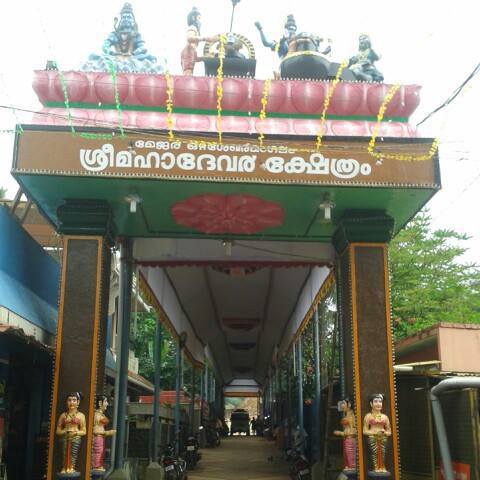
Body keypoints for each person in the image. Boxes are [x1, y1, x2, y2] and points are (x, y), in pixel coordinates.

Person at [55, 392, 86, 474]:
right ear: (66, 402)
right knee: (64, 453)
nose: (71, 402)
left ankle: (71, 467)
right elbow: (58, 431)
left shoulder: (81, 416)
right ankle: (64, 467)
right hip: (65, 437)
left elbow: (84, 431)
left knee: (73, 454)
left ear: (78, 402)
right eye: (69, 400)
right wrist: (64, 431)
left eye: (74, 400)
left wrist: (76, 433)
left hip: (75, 438)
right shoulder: (63, 415)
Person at [181, 7, 216, 75]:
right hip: (188, 51)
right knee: (188, 72)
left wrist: (207, 57)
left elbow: (196, 58)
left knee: (189, 72)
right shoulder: (193, 27)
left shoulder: (193, 47)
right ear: (194, 18)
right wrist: (204, 38)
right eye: (199, 18)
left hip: (191, 52)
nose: (200, 22)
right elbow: (189, 38)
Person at [363, 393, 391, 473]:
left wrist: (384, 432)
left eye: (380, 401)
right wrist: (374, 432)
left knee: (383, 453)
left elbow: (389, 432)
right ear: (371, 404)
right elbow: (364, 431)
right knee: (374, 453)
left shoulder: (385, 417)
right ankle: (376, 467)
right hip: (372, 438)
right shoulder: (368, 416)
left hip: (383, 438)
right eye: (375, 401)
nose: (378, 404)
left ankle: (382, 467)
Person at [92, 395, 116, 471]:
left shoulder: (101, 414)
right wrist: (107, 432)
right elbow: (94, 430)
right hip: (97, 437)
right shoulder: (96, 415)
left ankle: (98, 465)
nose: (107, 403)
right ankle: (96, 466)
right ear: (100, 403)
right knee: (98, 451)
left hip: (101, 437)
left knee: (101, 451)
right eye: (105, 401)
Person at [333, 397, 357, 472]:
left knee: (351, 464)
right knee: (347, 463)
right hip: (347, 440)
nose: (341, 405)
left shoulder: (352, 416)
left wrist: (341, 433)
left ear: (349, 404)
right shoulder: (347, 415)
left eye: (343, 403)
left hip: (350, 440)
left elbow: (354, 431)